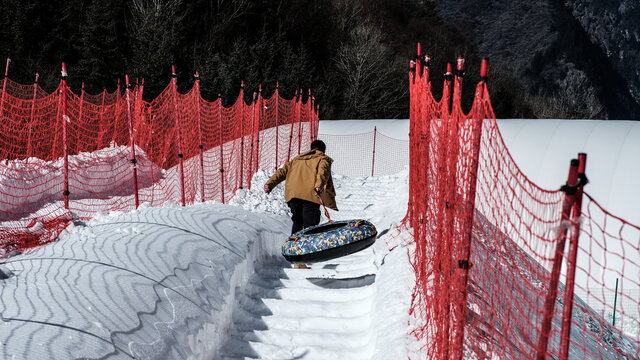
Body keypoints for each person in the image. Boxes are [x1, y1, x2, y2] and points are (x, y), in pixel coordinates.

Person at [264, 139, 338, 235]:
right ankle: (310, 246)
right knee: (310, 222)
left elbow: (282, 172)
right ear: (323, 150)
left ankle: (294, 244)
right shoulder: (322, 158)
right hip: (310, 195)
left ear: (311, 149)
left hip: (293, 195)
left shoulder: (297, 159)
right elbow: (322, 172)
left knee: (298, 221)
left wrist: (270, 184)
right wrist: (319, 185)